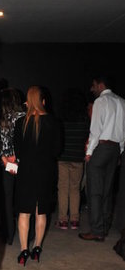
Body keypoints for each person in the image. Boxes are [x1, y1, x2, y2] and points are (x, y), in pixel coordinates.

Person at [14, 85, 62, 265]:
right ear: (43, 101)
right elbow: (57, 150)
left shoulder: (21, 123)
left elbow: (18, 151)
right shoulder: (53, 122)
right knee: (41, 212)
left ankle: (23, 251)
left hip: (26, 171)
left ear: (28, 101)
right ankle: (37, 248)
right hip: (45, 171)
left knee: (24, 212)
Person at [79, 75, 125, 241]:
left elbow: (96, 129)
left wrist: (89, 152)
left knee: (95, 192)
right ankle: (103, 227)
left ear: (100, 85)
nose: (92, 89)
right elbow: (123, 131)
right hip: (115, 148)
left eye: (93, 85)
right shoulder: (122, 101)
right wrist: (120, 150)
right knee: (107, 190)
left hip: (101, 148)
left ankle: (97, 230)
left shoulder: (100, 101)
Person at [0, 87, 25, 243]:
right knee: (24, 199)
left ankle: (9, 235)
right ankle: (28, 234)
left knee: (7, 200)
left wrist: (5, 159)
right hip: (23, 162)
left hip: (6, 164)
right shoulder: (25, 117)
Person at [56, 89, 89, 230]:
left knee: (63, 188)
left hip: (62, 157)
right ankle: (75, 220)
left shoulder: (61, 121)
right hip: (77, 158)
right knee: (75, 189)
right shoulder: (85, 121)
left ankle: (63, 220)